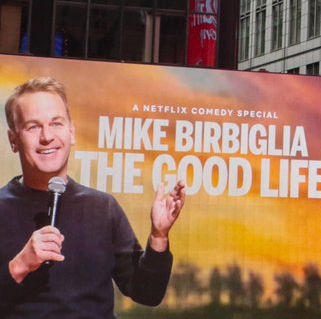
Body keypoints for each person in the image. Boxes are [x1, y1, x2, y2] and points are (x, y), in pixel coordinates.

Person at [0, 76, 187, 316]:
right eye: (33, 126)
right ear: (13, 139)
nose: (46, 136)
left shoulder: (102, 208)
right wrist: (20, 265)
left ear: (72, 132)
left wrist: (159, 236)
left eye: (56, 123)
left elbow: (147, 293)